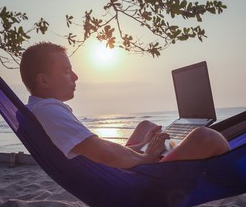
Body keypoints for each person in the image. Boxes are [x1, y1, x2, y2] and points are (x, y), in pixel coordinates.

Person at [20, 42, 230, 169]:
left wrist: (141, 148)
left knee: (146, 127)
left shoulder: (37, 110)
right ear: (44, 80)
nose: (75, 76)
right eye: (66, 71)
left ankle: (161, 147)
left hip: (115, 171)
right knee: (207, 137)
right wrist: (147, 157)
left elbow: (94, 149)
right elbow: (105, 154)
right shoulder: (48, 110)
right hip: (133, 184)